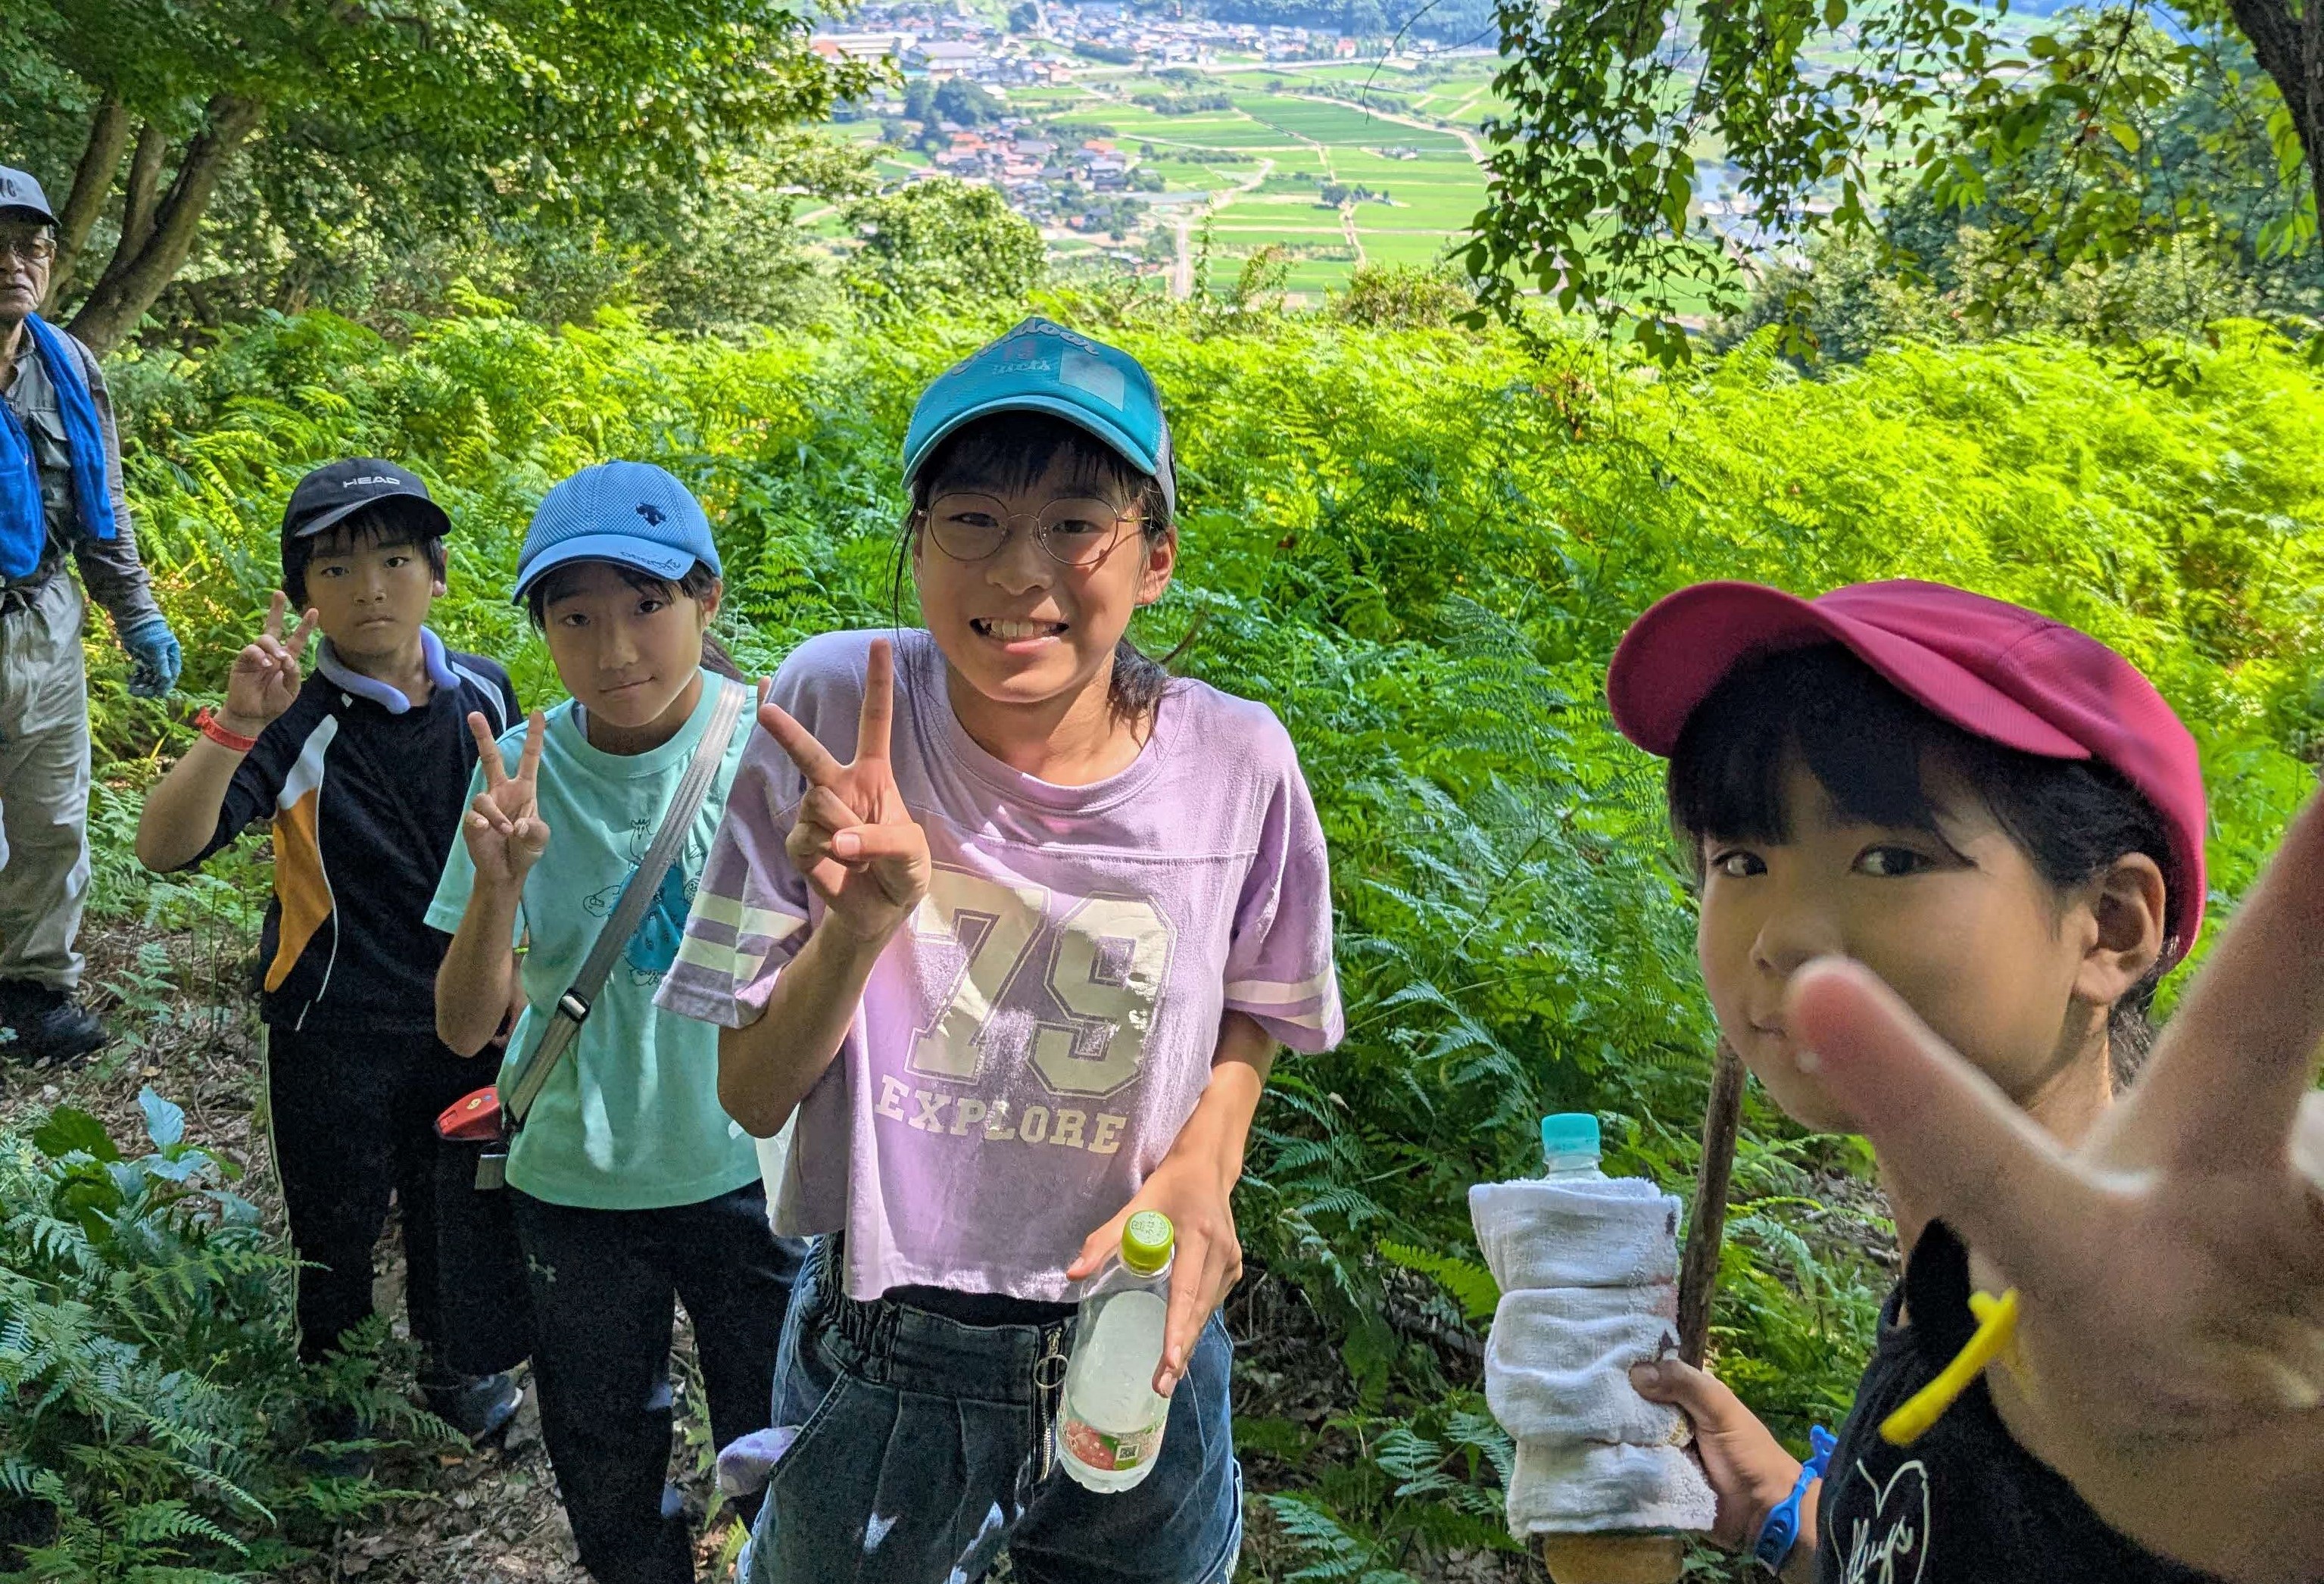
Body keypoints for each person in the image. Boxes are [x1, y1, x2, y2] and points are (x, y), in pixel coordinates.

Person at [655, 316, 1344, 1584]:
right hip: (884, 1348)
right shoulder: (831, 709)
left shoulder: (1235, 763)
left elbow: (1259, 994)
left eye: (1076, 523)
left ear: (1154, 557)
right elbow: (750, 1091)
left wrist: (1208, 1156)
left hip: (1143, 1335)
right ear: (917, 543)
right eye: (971, 519)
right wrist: (858, 925)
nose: (1020, 572)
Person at [1602, 578, 2324, 1583]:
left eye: (1890, 860)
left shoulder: (2188, 1355)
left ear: (2111, 925)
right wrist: (1785, 1517)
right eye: (1741, 861)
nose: (1780, 936)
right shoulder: (1936, 1303)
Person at [429, 460, 803, 1584]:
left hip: (750, 1170)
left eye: (646, 604)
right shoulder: (516, 772)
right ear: (542, 628)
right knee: (603, 1455)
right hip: (575, 1179)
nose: (616, 648)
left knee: (782, 1443)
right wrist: (498, 886)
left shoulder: (767, 750)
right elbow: (463, 1028)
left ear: (706, 599)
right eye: (576, 618)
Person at [134, 460, 525, 1440]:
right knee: (334, 1226)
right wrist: (238, 724)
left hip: (466, 1013)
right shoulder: (294, 719)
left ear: (437, 573)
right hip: (329, 1024)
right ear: (304, 594)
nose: (371, 588)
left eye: (396, 559)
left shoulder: (486, 691)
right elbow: (165, 846)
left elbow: (523, 846)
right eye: (337, 568)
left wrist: (520, 969)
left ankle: (454, 1368)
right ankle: (335, 1404)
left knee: (456, 1206)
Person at [0, 164, 181, 1062]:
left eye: (30, 246)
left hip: (43, 619)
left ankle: (32, 993)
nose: (15, 263)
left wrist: (136, 615)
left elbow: (102, 506)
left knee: (51, 820)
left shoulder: (69, 366)